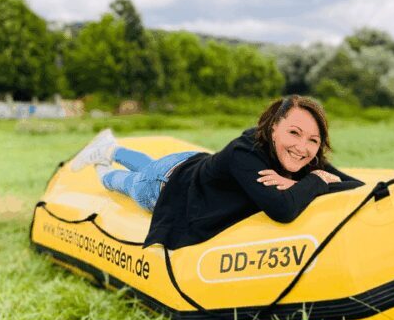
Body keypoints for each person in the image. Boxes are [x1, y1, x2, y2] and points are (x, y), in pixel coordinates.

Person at [70, 95, 364, 249]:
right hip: (167, 184)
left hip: (190, 163)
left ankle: (112, 147)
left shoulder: (302, 156)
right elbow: (282, 209)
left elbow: (355, 186)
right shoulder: (243, 152)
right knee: (127, 181)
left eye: (313, 140)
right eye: (294, 133)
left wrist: (315, 179)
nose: (303, 147)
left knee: (148, 164)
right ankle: (103, 163)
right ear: (274, 127)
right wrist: (314, 180)